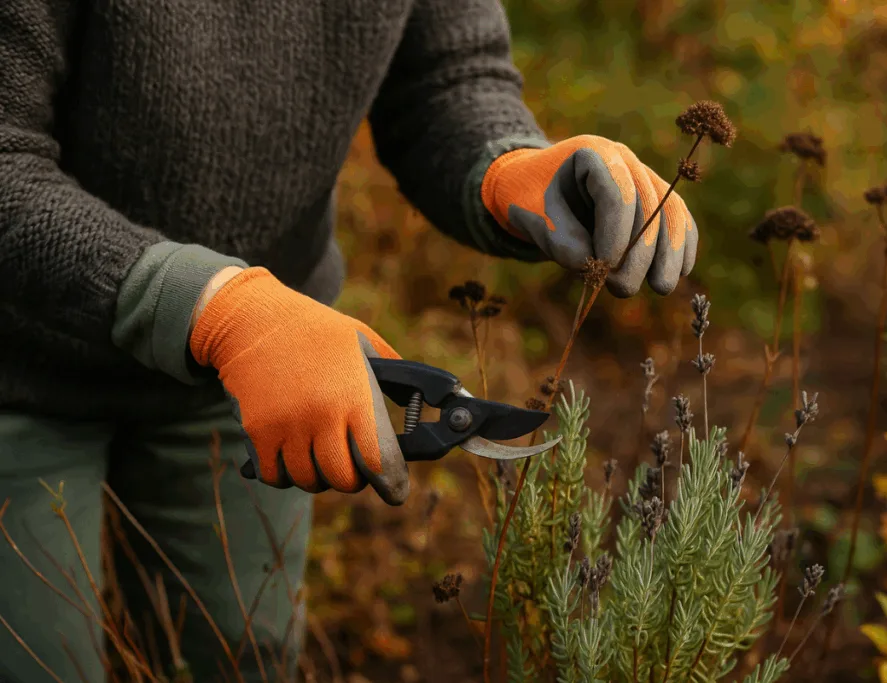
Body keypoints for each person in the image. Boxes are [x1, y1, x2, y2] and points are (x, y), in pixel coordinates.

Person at [0, 0, 699, 680]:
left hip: (258, 368)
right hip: (21, 372)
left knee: (244, 653)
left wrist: (505, 166)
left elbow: (446, 77)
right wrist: (214, 306)